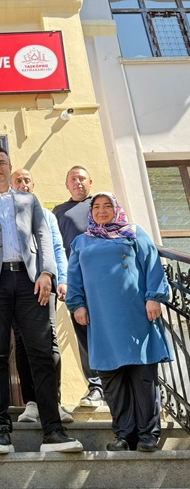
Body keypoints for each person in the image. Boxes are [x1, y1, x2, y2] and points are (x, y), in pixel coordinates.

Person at [0, 146, 83, 454]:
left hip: (30, 282)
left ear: (9, 166)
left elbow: (44, 238)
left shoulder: (30, 200)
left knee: (41, 353)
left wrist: (47, 273)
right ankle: (1, 431)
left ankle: (53, 431)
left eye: (2, 162)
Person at [66, 193, 173, 452]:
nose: (102, 210)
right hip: (101, 318)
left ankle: (147, 435)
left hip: (136, 314)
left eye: (107, 206)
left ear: (116, 209)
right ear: (90, 212)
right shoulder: (81, 241)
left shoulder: (133, 233)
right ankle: (125, 436)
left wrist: (154, 297)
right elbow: (74, 277)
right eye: (96, 207)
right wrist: (77, 304)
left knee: (142, 375)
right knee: (112, 378)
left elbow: (152, 264)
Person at [10, 169, 72, 424]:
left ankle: (54, 402)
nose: (23, 184)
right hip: (17, 287)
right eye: (18, 181)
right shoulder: (6, 213)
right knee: (22, 343)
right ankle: (32, 403)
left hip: (44, 285)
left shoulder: (46, 215)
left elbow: (57, 247)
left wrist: (62, 279)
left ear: (33, 185)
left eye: (27, 180)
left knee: (49, 341)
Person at [53, 166, 104, 407]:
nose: (78, 182)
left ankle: (115, 384)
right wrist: (61, 280)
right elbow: (56, 247)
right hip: (76, 281)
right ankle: (96, 386)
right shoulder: (59, 212)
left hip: (105, 279)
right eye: (73, 179)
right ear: (67, 185)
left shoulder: (101, 205)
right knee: (83, 333)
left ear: (90, 181)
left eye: (82, 178)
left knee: (108, 330)